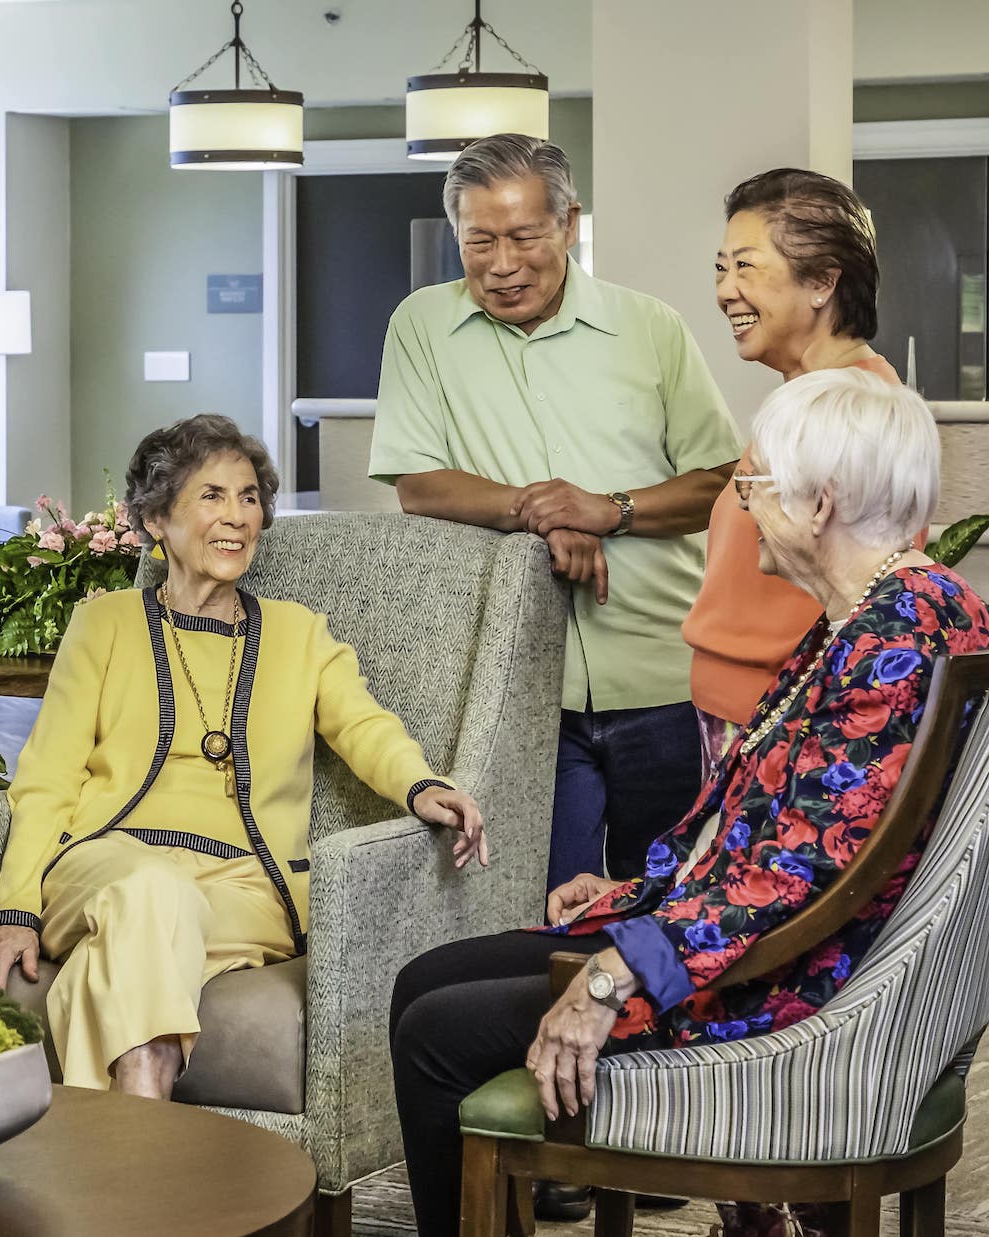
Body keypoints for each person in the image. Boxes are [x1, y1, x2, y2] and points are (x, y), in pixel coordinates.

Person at [389, 370, 988, 1237]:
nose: (740, 506)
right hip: (764, 942)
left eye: (755, 485)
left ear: (818, 503)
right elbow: (786, 834)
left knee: (436, 1032)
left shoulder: (892, 634)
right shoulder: (890, 610)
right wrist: (629, 893)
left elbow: (796, 880)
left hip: (785, 983)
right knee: (425, 977)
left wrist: (609, 974)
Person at [0, 414, 487, 1097]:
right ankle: (145, 1129)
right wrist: (13, 909)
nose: (237, 516)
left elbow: (365, 724)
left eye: (248, 497)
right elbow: (47, 778)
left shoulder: (300, 634)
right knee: (152, 892)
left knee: (125, 947)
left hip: (248, 886)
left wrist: (419, 784)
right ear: (155, 520)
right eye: (211, 495)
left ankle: (124, 1143)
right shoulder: (104, 623)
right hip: (102, 863)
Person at [370, 132, 742, 892]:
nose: (502, 264)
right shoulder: (421, 327)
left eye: (523, 237)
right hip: (520, 684)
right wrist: (541, 511)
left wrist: (610, 510)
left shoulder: (651, 328)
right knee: (536, 911)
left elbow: (721, 481)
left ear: (569, 224)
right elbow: (417, 482)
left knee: (668, 908)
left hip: (664, 676)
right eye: (479, 241)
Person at [685, 168, 903, 778]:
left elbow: (862, 596)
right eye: (721, 268)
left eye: (747, 266)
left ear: (823, 282)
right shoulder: (806, 398)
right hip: (750, 709)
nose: (726, 290)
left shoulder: (846, 409)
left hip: (780, 719)